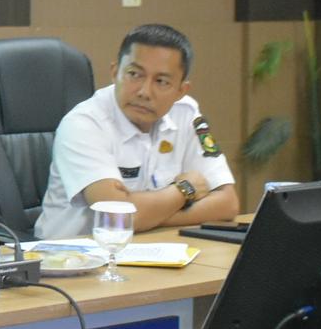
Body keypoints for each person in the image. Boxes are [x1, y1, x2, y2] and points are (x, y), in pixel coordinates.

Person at [35, 24, 238, 239]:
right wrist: (184, 190)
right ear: (115, 72)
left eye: (161, 81)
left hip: (152, 247)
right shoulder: (84, 123)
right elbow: (116, 218)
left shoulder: (185, 113)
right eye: (134, 74)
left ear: (181, 90)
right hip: (72, 254)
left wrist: (144, 218)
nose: (144, 92)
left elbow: (227, 204)